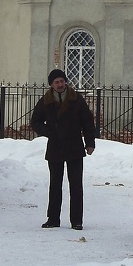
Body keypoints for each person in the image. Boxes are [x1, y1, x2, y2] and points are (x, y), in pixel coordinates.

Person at [30, 68, 96, 230]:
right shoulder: (46, 101)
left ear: (65, 81)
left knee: (76, 185)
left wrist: (90, 143)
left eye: (62, 81)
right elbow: (35, 121)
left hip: (74, 146)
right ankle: (53, 218)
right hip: (55, 146)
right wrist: (49, 132)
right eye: (56, 82)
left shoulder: (76, 98)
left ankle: (77, 220)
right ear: (51, 85)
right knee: (55, 184)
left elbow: (87, 121)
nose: (60, 84)